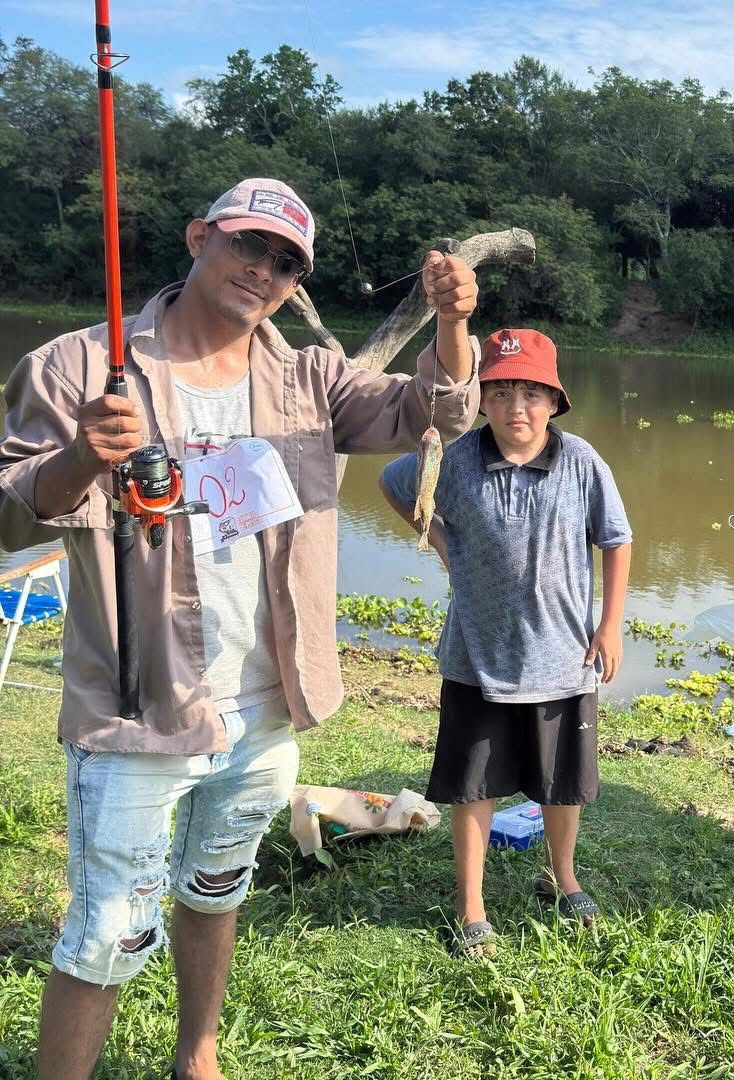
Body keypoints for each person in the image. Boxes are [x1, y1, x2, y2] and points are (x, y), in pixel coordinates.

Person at [0, 177, 482, 1080]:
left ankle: (200, 1057)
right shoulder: (78, 366)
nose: (263, 269)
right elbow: (8, 515)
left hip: (264, 704)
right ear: (200, 237)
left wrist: (453, 326)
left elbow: (434, 413)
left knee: (218, 886)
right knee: (107, 930)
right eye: (248, 245)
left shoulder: (310, 379)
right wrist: (78, 458)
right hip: (138, 708)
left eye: (286, 263)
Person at [379, 327, 632, 958]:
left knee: (561, 783)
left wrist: (610, 624)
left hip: (563, 655)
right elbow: (394, 482)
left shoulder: (581, 462)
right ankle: (471, 907)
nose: (516, 408)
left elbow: (616, 538)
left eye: (531, 394)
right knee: (473, 786)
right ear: (481, 400)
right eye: (499, 392)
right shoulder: (455, 458)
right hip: (476, 656)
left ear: (554, 402)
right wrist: (440, 541)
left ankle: (563, 878)